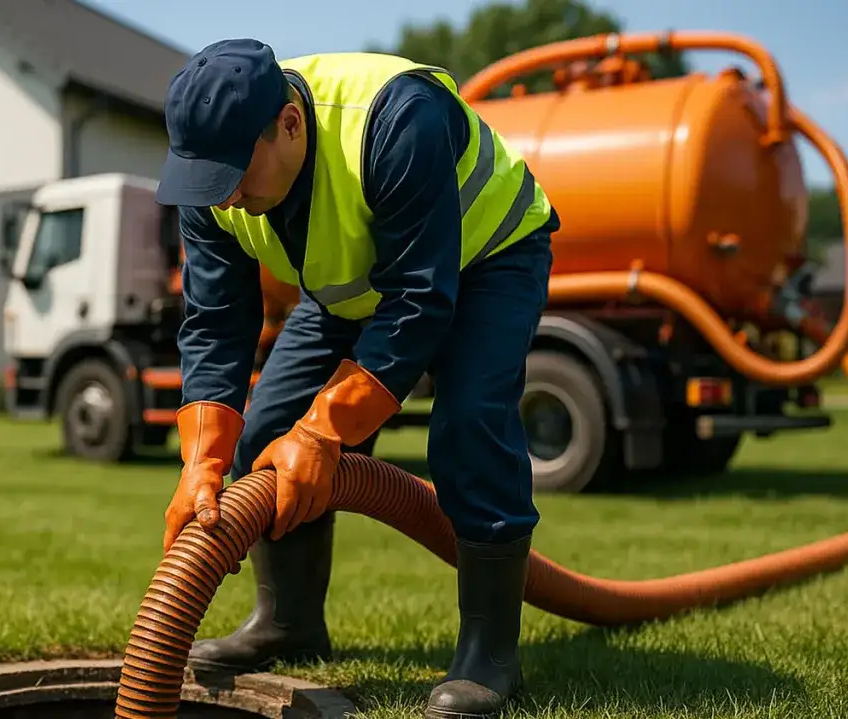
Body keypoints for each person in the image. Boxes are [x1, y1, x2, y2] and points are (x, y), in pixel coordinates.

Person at [156, 38, 558, 719]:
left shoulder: (396, 116)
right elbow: (216, 322)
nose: (224, 194)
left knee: (470, 424)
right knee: (269, 435)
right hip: (357, 288)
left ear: (289, 123)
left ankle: (489, 653)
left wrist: (326, 431)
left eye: (234, 172)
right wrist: (202, 462)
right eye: (207, 178)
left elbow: (419, 301)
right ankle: (289, 622)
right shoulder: (211, 177)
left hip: (486, 254)